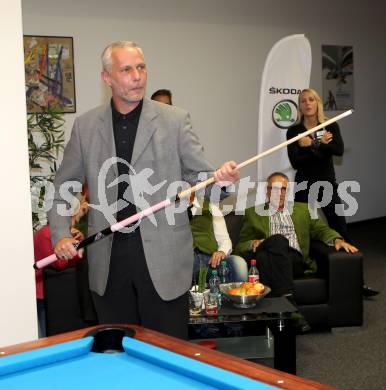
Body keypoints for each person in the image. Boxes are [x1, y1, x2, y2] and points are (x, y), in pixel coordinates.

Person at [48, 41, 239, 340]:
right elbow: (64, 187)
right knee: (117, 355)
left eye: (141, 67)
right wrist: (59, 233)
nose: (137, 76)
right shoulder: (85, 127)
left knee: (167, 353)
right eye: (126, 69)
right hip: (108, 259)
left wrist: (222, 182)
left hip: (165, 258)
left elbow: (201, 179)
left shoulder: (175, 120)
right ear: (107, 78)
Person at [287, 89, 378, 297]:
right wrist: (320, 145)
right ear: (299, 106)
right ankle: (306, 278)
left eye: (311, 100)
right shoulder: (294, 132)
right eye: (303, 101)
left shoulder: (330, 125)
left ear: (318, 103)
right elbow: (296, 161)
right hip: (304, 186)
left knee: (341, 229)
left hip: (327, 184)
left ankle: (357, 282)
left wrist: (312, 144)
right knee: (303, 232)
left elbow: (338, 150)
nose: (307, 104)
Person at [189, 193, 248, 283]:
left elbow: (224, 239)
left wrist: (221, 251)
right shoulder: (168, 208)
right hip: (184, 261)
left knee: (238, 264)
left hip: (209, 260)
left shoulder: (210, 207)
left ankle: (234, 296)